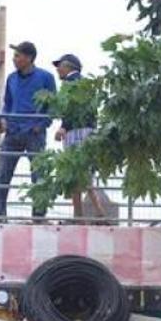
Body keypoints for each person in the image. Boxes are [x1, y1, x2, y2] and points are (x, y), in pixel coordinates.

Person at [0, 41, 56, 219]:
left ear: (29, 58)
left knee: (39, 175)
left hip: (34, 133)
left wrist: (41, 125)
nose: (14, 59)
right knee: (2, 173)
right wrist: (3, 119)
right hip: (12, 132)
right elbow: (7, 104)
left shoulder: (46, 78)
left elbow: (52, 106)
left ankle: (39, 214)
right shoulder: (11, 78)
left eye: (18, 56)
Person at [52, 54, 116, 222]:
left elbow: (71, 108)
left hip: (77, 132)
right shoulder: (86, 83)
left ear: (68, 67)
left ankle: (92, 213)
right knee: (81, 174)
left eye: (59, 66)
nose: (58, 69)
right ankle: (86, 214)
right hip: (88, 131)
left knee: (78, 172)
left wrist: (64, 126)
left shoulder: (71, 84)